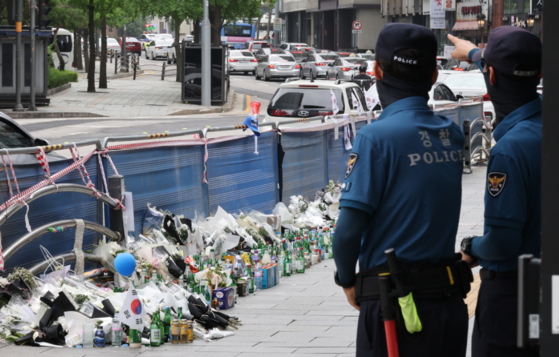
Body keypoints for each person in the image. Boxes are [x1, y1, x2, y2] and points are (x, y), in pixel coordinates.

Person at [333, 23, 469, 357]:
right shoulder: (450, 134)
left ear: (377, 69)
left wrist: (347, 279)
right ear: (435, 75)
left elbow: (348, 231)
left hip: (396, 311)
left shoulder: (375, 139)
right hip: (448, 305)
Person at [449, 27, 542, 357]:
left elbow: (503, 243)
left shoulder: (511, 150)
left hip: (514, 298)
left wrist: (472, 246)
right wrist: (474, 53)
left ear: (491, 74)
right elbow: (500, 74)